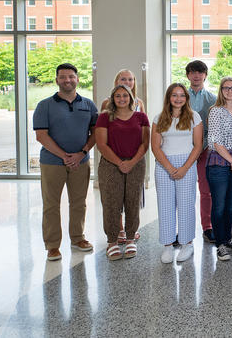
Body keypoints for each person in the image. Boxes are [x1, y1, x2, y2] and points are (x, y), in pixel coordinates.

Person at [33, 63, 98, 261]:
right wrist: (64, 156)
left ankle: (78, 238)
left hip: (81, 161)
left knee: (79, 202)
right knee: (51, 204)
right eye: (63, 77)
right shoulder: (45, 105)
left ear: (77, 79)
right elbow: (41, 136)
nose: (67, 80)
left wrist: (82, 153)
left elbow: (96, 133)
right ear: (57, 80)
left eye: (71, 76)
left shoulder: (88, 104)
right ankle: (52, 246)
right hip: (52, 162)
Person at [95, 85, 150, 260]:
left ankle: (130, 238)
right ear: (112, 99)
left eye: (125, 95)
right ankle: (112, 241)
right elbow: (101, 144)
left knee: (133, 201)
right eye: (117, 96)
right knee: (111, 202)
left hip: (136, 163)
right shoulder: (104, 117)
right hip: (111, 164)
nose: (121, 99)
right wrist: (120, 162)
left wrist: (131, 162)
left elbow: (145, 143)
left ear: (131, 98)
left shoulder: (141, 117)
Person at [151, 83, 203, 263]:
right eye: (175, 95)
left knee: (186, 204)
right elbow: (155, 147)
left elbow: (198, 145)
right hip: (164, 164)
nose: (178, 99)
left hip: (187, 164)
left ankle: (187, 244)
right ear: (169, 98)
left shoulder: (194, 117)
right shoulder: (159, 118)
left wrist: (184, 168)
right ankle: (167, 246)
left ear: (186, 98)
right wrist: (170, 168)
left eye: (182, 95)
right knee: (165, 205)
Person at [100, 68, 145, 244]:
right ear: (116, 82)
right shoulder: (107, 104)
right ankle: (118, 230)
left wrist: (135, 159)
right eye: (123, 79)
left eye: (130, 79)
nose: (126, 82)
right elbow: (103, 134)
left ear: (134, 83)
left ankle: (130, 231)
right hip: (113, 158)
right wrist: (118, 161)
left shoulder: (139, 103)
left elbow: (143, 131)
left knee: (132, 197)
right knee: (114, 197)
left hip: (135, 158)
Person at [206, 77, 232, 262]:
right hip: (219, 162)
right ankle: (220, 244)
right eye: (226, 88)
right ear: (221, 91)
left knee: (231, 205)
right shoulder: (215, 111)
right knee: (219, 205)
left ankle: (228, 240)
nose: (230, 91)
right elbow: (214, 141)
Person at [186, 60, 217, 244]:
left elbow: (213, 128)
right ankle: (183, 229)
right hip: (183, 150)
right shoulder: (180, 97)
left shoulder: (213, 99)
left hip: (205, 150)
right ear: (188, 75)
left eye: (200, 72)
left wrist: (202, 146)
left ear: (205, 75)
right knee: (184, 192)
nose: (196, 75)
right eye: (192, 72)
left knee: (206, 192)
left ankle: (208, 227)